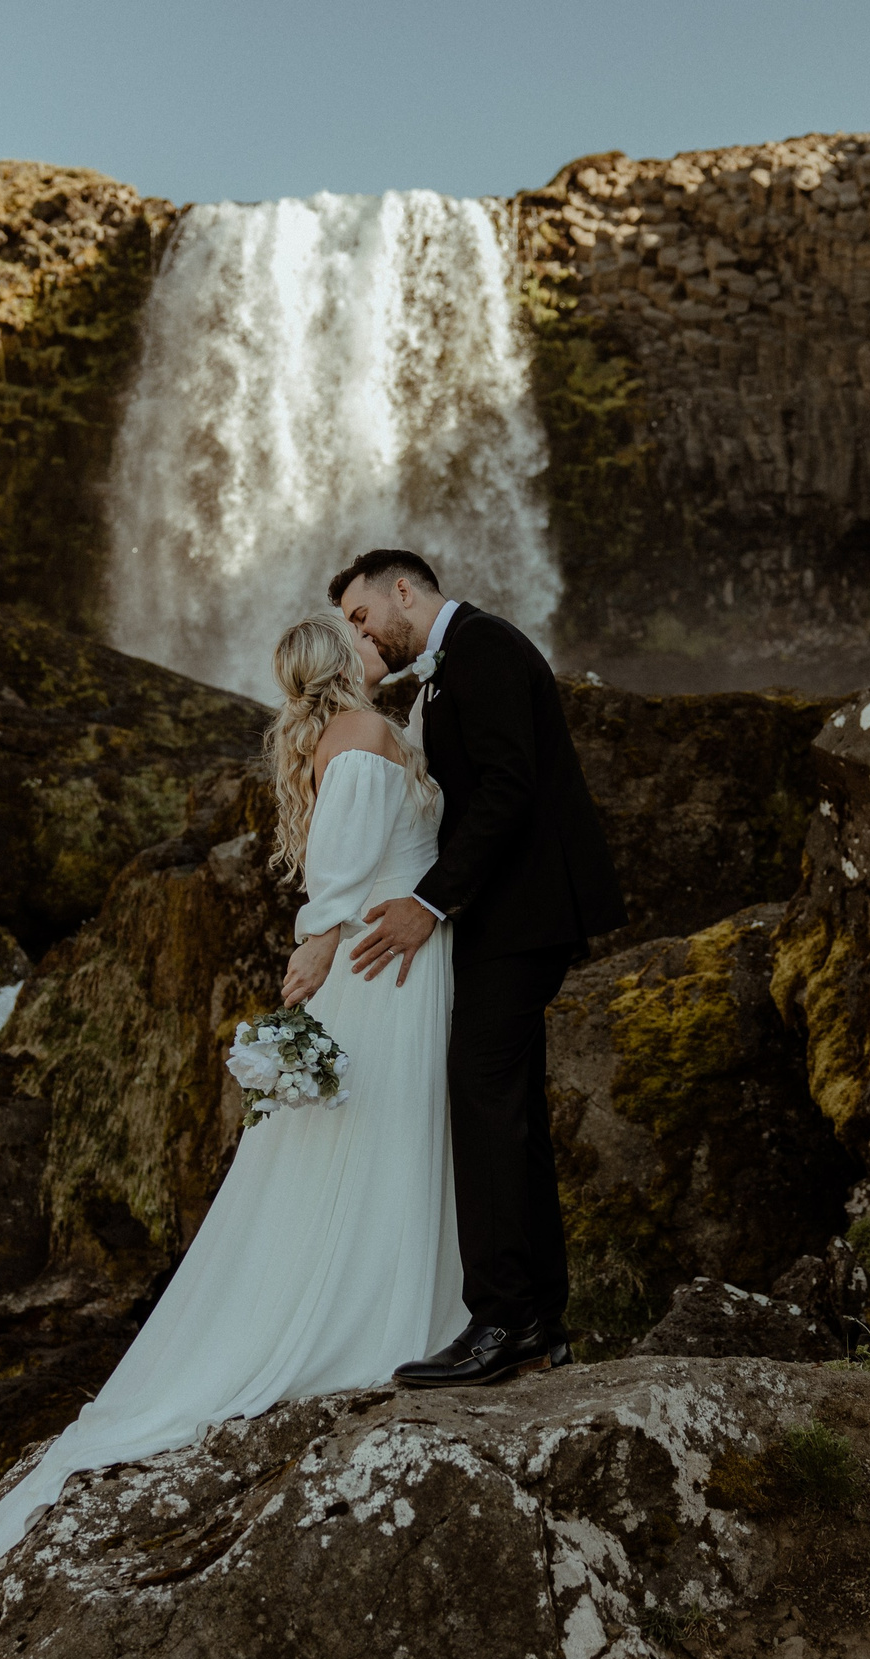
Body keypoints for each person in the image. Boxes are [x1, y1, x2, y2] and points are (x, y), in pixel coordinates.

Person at [0, 610, 465, 1611]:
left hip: (399, 955)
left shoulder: (353, 733)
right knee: (379, 1133)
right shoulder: (358, 737)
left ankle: (402, 1301)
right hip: (379, 963)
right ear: (335, 667)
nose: (368, 636)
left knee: (370, 1137)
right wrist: (313, 942)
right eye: (352, 633)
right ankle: (383, 1314)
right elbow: (340, 870)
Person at [331, 548, 627, 1389]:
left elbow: (508, 787)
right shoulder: (448, 663)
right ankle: (538, 1322)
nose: (360, 634)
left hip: (523, 914)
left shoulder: (487, 645)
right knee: (510, 1110)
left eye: (359, 617)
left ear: (401, 590)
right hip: (509, 916)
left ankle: (500, 1321)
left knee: (484, 1100)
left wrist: (428, 903)